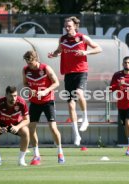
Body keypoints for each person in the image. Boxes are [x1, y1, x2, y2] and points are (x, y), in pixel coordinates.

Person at [48, 16, 102, 146]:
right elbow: (59, 50)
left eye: (69, 26)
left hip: (81, 71)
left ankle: (85, 118)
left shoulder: (82, 38)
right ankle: (76, 135)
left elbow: (98, 48)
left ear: (75, 26)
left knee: (79, 93)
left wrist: (85, 53)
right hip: (68, 74)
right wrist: (54, 54)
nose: (67, 28)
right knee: (71, 105)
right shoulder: (63, 39)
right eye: (66, 26)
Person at [22, 50, 64, 165]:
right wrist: (29, 89)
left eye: (30, 62)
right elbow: (25, 83)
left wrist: (45, 91)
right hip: (34, 102)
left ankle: (60, 151)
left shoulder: (46, 68)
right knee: (31, 128)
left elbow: (56, 83)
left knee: (53, 128)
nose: (28, 64)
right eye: (27, 62)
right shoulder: (25, 70)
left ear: (36, 59)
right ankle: (36, 155)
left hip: (48, 101)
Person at [0, 86, 30, 166]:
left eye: (15, 96)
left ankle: (21, 160)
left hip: (15, 124)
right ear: (6, 95)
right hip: (1, 124)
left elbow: (27, 120)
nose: (13, 98)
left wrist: (17, 127)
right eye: (11, 96)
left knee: (25, 131)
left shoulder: (21, 102)